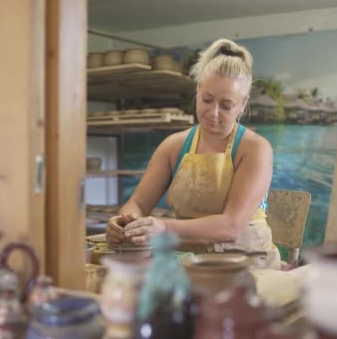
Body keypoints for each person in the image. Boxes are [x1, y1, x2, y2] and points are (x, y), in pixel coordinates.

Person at [105, 38, 281, 270]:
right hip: (187, 258)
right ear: (197, 90)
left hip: (247, 262)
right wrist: (125, 222)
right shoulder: (173, 146)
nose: (213, 112)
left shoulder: (255, 149)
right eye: (207, 100)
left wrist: (164, 228)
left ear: (243, 104)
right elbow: (137, 203)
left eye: (226, 105)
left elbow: (231, 227)